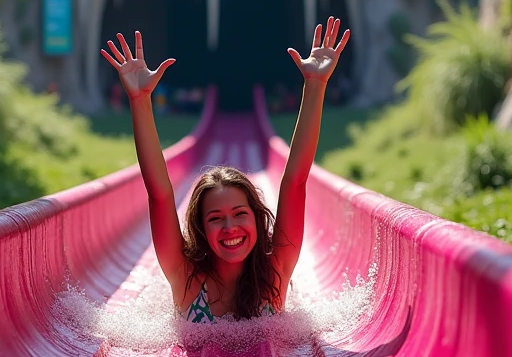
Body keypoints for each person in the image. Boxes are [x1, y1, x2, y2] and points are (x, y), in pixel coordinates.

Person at [100, 18, 350, 323]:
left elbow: (295, 182)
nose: (230, 226)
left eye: (240, 214)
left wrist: (316, 86)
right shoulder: (186, 277)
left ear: (258, 219)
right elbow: (160, 195)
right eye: (215, 218)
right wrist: (140, 101)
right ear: (201, 229)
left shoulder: (275, 272)